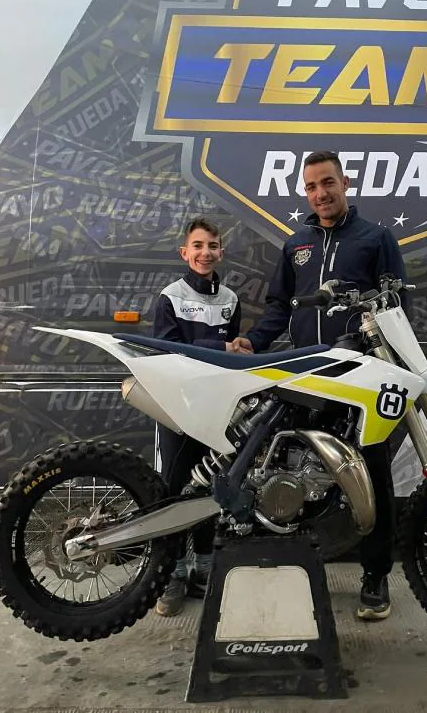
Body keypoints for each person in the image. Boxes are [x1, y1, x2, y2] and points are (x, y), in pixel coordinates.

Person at [232, 150, 408, 621]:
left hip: (359, 381)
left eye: (327, 183)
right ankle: (296, 564)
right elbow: (277, 308)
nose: (320, 194)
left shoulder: (376, 237)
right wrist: (253, 340)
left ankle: (375, 576)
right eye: (311, 187)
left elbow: (396, 307)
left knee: (372, 475)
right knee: (295, 471)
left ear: (345, 183)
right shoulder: (297, 244)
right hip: (306, 375)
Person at [153, 217, 249, 616]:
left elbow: (229, 358)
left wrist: (236, 349)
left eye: (212, 245)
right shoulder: (170, 296)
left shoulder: (230, 298)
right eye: (198, 245)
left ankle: (203, 569)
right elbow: (166, 350)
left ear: (221, 252)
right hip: (177, 407)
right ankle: (171, 575)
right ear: (184, 253)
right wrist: (223, 345)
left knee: (210, 487)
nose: (205, 252)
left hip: (217, 408)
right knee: (173, 491)